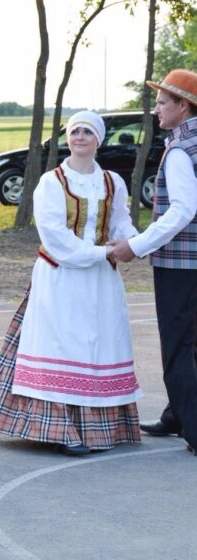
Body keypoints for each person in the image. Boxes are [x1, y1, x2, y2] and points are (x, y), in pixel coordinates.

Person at [0, 111, 143, 456]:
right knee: (60, 346)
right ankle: (61, 429)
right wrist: (101, 253)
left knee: (97, 345)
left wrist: (133, 244)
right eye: (74, 132)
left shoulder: (113, 181)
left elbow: (121, 224)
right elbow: (54, 237)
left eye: (87, 132)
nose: (80, 137)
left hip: (101, 282)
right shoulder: (51, 182)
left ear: (99, 139)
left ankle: (99, 428)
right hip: (61, 278)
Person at [109, 69, 197, 457]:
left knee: (178, 347)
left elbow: (181, 211)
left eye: (163, 102)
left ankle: (193, 429)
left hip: (181, 265)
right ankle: (176, 414)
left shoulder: (180, 151)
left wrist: (137, 245)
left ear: (183, 105)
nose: (156, 109)